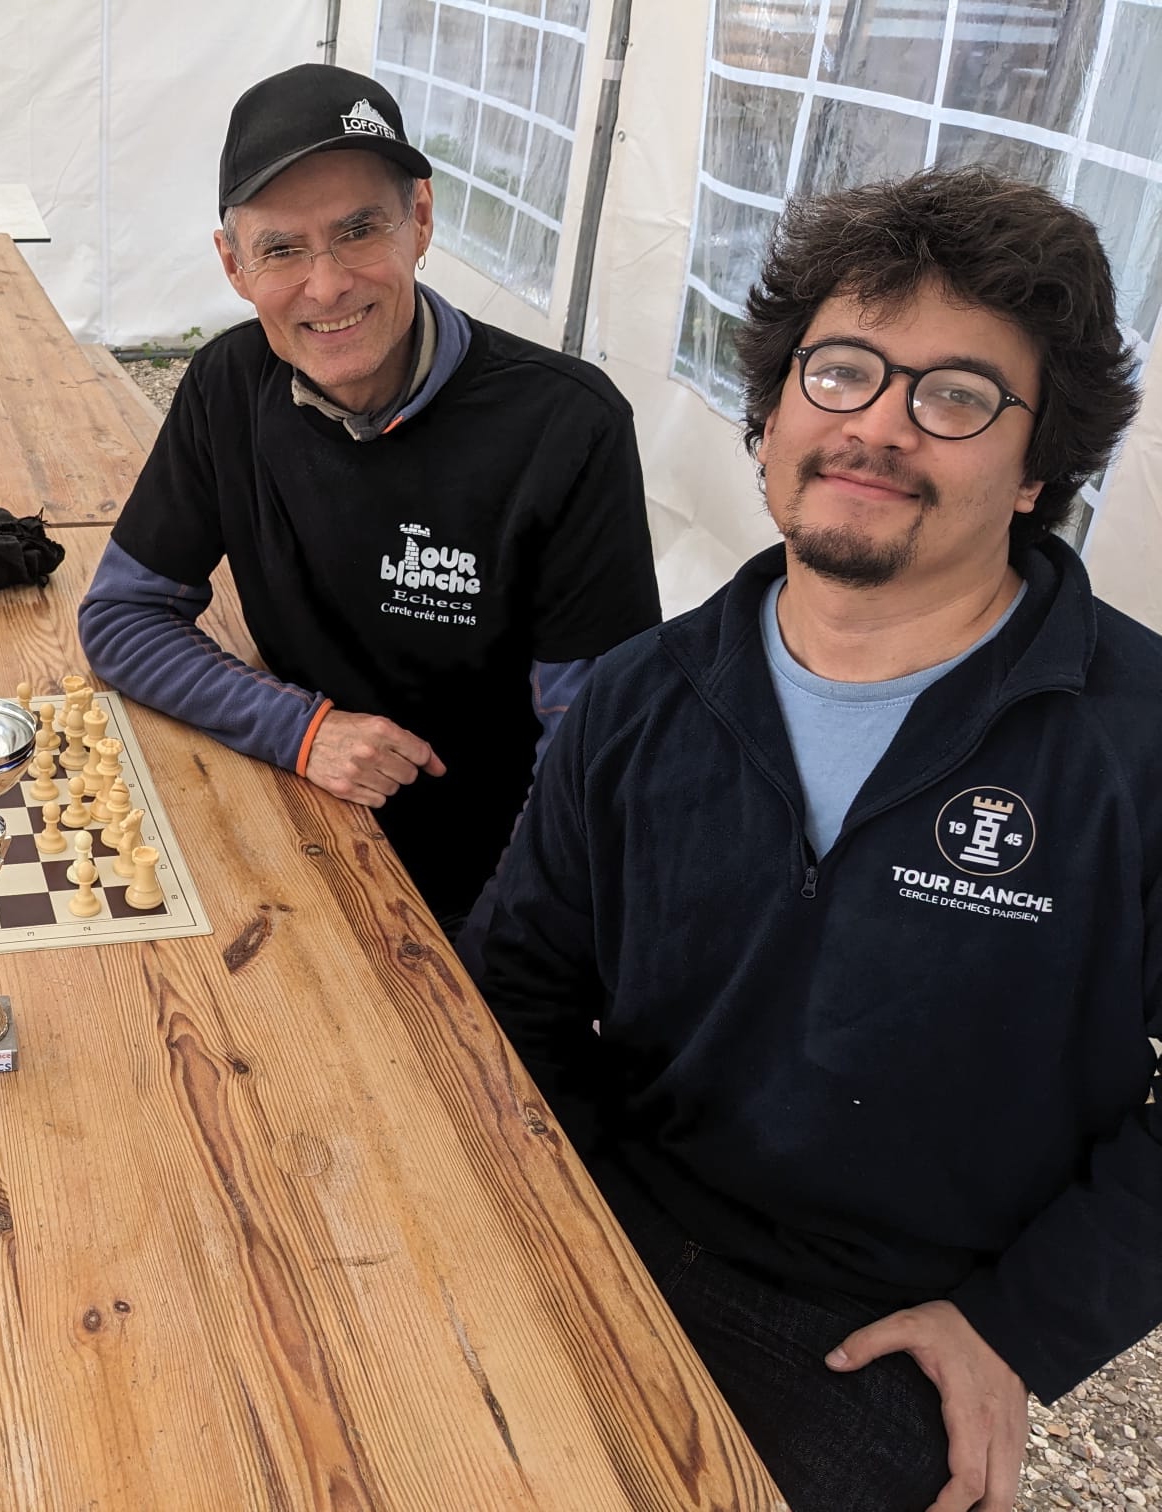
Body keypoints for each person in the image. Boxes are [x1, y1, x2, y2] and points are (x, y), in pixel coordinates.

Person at [468, 167, 1159, 1512]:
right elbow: (519, 987)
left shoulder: (1132, 746)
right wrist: (544, 1204)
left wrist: (1021, 1326)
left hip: (894, 1324)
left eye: (957, 396)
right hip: (618, 1218)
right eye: (840, 372)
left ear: (1039, 468)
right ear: (771, 414)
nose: (878, 427)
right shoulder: (644, 696)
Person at [78, 64, 660, 932]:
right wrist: (302, 731)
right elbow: (122, 618)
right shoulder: (228, 385)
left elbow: (595, 749)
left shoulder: (567, 427)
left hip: (496, 884)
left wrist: (494, 954)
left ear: (420, 220)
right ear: (234, 266)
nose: (326, 286)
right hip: (300, 834)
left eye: (359, 231)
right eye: (281, 249)